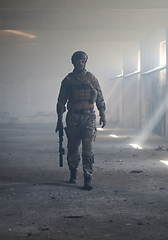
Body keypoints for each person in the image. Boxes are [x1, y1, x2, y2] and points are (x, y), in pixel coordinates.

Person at [56, 51, 106, 190]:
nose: (81, 63)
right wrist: (59, 120)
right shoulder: (68, 80)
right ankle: (73, 172)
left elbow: (100, 97)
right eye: (78, 61)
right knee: (73, 148)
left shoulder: (91, 78)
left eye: (83, 61)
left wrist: (103, 113)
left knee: (88, 150)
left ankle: (88, 177)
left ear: (86, 62)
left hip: (89, 117)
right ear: (73, 62)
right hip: (73, 117)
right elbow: (61, 101)